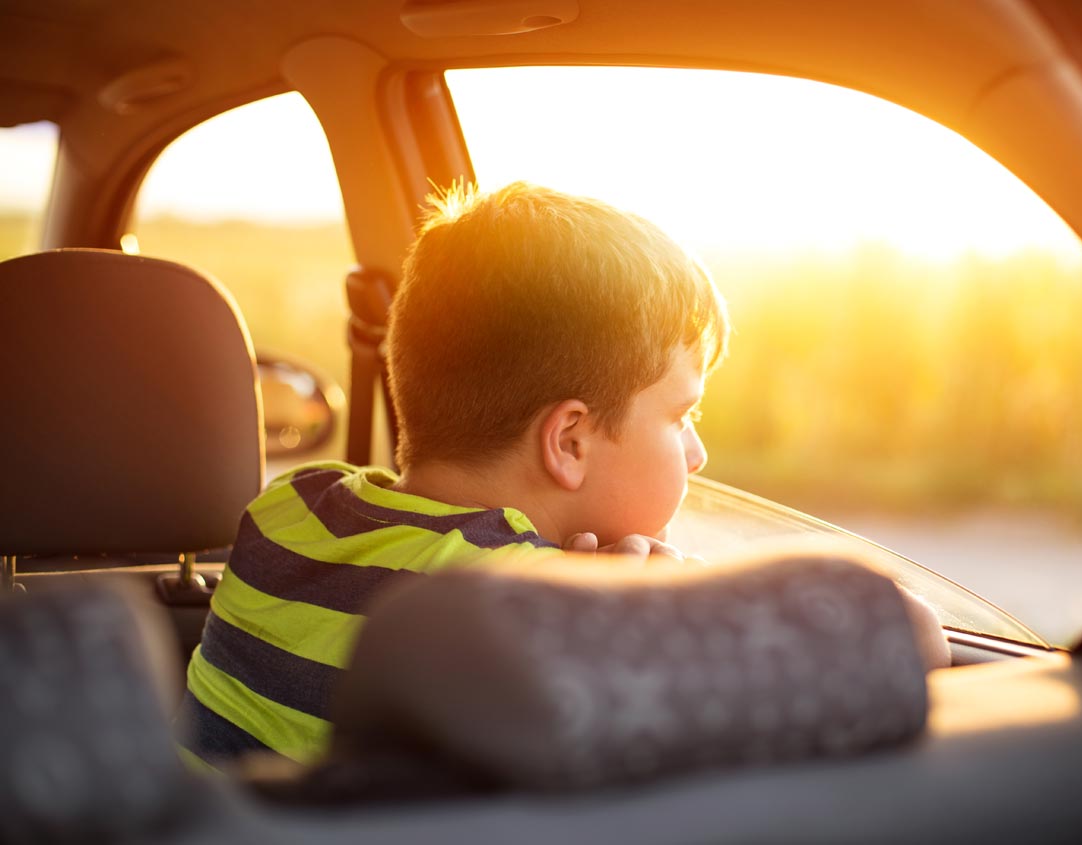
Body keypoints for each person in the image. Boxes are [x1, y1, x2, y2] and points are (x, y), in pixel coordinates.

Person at [177, 182, 731, 767]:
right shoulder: (530, 612)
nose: (697, 454)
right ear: (569, 442)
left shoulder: (287, 508)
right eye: (682, 416)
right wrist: (629, 620)